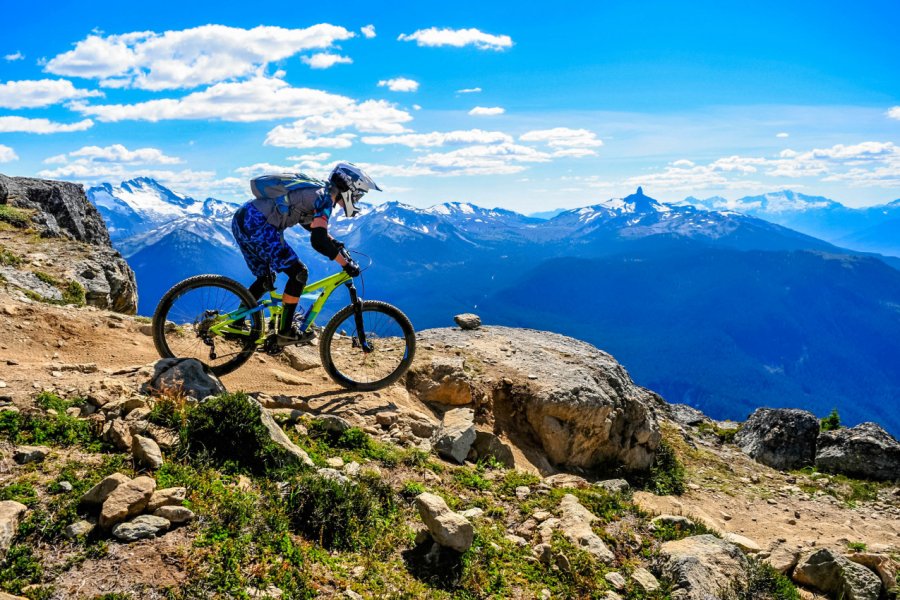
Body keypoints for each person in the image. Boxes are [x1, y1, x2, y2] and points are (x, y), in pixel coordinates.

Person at [231, 162, 380, 346]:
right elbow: (318, 241)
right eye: (359, 193)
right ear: (348, 187)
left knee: (265, 279)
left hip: (243, 218)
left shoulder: (319, 191)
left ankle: (235, 324)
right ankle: (285, 331)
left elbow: (311, 225)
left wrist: (334, 243)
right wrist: (345, 264)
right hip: (259, 224)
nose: (357, 198)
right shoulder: (326, 198)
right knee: (298, 273)